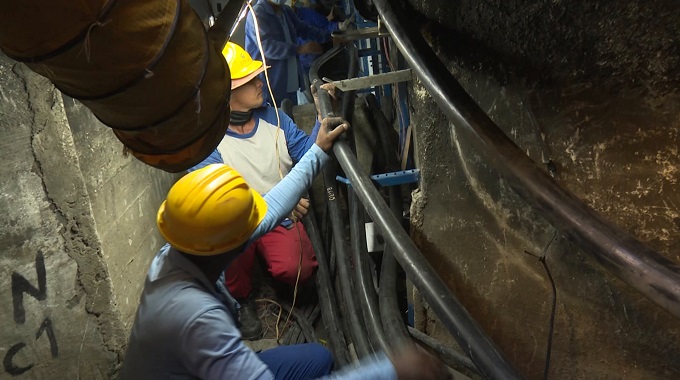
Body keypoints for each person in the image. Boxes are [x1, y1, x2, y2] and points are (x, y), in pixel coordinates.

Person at [121, 124, 448, 379]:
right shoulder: (197, 318)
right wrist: (390, 372)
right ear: (227, 244)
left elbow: (273, 207)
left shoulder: (181, 250)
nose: (254, 231)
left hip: (201, 368)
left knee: (319, 358)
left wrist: (317, 150)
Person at [192, 41, 327, 340]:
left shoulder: (275, 118)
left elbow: (308, 154)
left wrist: (321, 120)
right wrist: (284, 202)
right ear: (225, 93)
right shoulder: (206, 143)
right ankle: (239, 300)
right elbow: (224, 204)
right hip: (239, 225)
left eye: (256, 76)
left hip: (279, 217)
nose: (259, 83)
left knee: (298, 270)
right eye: (248, 80)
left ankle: (279, 278)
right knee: (224, 241)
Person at [245, 0, 331, 106]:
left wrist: (329, 37)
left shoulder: (285, 11)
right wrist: (299, 49)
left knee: (291, 114)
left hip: (290, 80)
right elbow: (267, 47)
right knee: (276, 117)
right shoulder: (257, 14)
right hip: (270, 84)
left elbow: (303, 29)